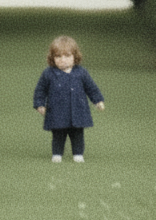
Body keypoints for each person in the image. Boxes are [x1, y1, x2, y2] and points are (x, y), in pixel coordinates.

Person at [33, 35, 105, 163]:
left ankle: (78, 153)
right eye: (58, 56)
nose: (63, 60)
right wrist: (40, 104)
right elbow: (40, 90)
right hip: (57, 112)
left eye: (67, 56)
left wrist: (98, 101)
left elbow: (91, 88)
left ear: (75, 56)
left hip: (78, 110)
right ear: (52, 58)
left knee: (77, 134)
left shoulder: (81, 72)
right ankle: (57, 153)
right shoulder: (48, 73)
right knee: (58, 134)